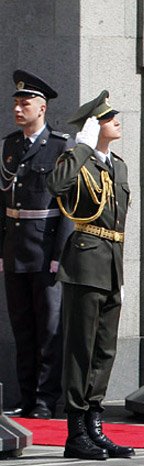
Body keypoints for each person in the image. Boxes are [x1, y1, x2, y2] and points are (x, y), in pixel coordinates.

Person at [47, 90, 133, 461]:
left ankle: (94, 425)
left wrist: (121, 274)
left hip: (111, 264)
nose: (117, 120)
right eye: (109, 117)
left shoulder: (119, 165)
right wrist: (82, 147)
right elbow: (56, 186)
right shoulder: (76, 159)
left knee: (104, 350)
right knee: (80, 349)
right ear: (94, 125)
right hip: (85, 263)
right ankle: (74, 431)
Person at [0, 70, 72, 419]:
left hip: (45, 253)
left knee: (48, 330)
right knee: (23, 328)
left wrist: (59, 255)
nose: (18, 107)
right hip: (15, 251)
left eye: (25, 102)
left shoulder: (61, 146)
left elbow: (67, 209)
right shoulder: (10, 145)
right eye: (16, 102)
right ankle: (27, 398)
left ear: (41, 108)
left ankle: (46, 401)